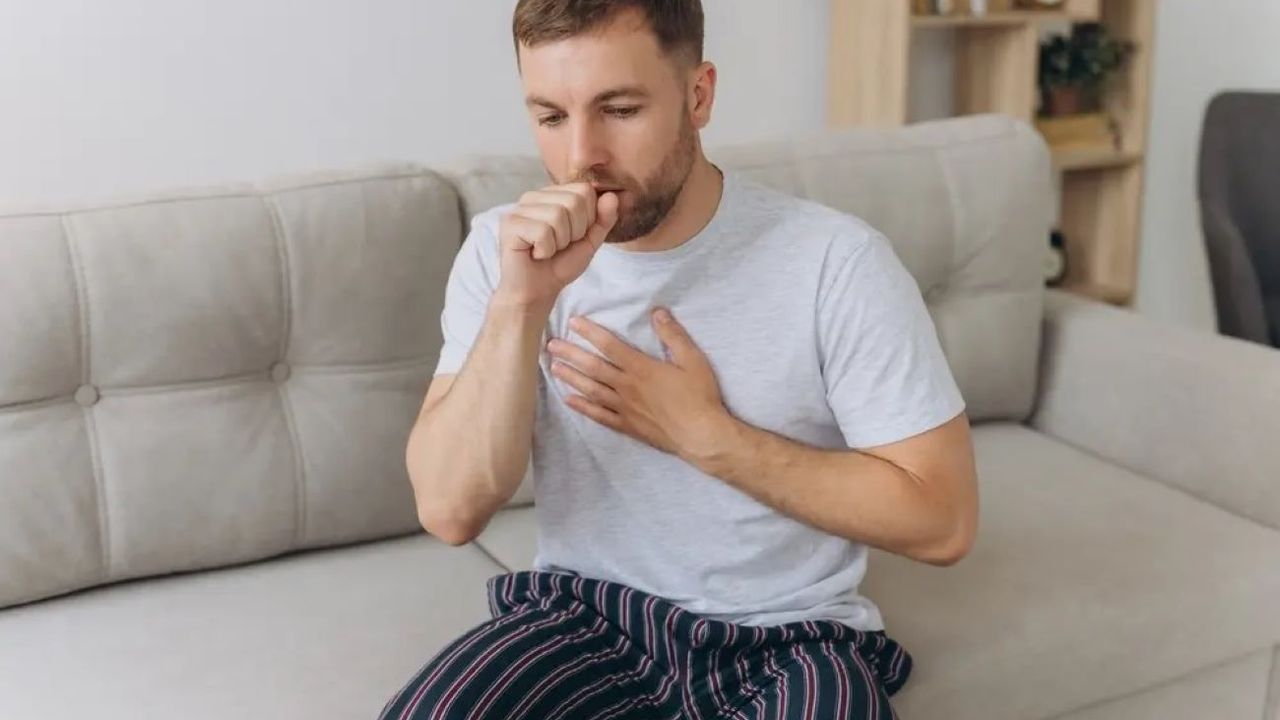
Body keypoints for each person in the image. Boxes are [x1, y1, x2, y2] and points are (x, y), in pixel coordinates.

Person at [382, 1, 978, 717]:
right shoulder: (501, 254)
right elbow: (449, 511)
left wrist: (709, 438)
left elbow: (942, 521)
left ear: (698, 96)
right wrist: (521, 306)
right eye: (551, 117)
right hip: (582, 617)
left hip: (789, 637)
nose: (582, 156)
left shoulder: (835, 263)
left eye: (620, 109)